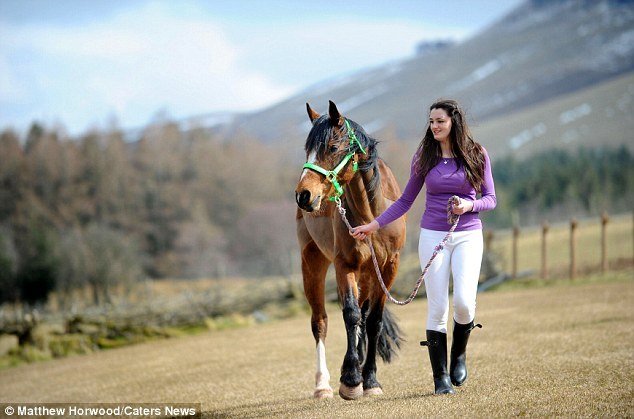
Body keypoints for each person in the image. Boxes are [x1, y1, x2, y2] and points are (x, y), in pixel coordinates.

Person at [350, 99, 496, 395]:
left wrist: (468, 205)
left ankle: (458, 355)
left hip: (468, 235)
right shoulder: (424, 156)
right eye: (431, 121)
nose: (434, 126)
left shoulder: (476, 153)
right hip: (432, 235)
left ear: (454, 121)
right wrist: (373, 225)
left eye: (440, 121)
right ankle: (440, 378)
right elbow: (405, 201)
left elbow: (490, 198)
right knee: (438, 306)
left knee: (464, 303)